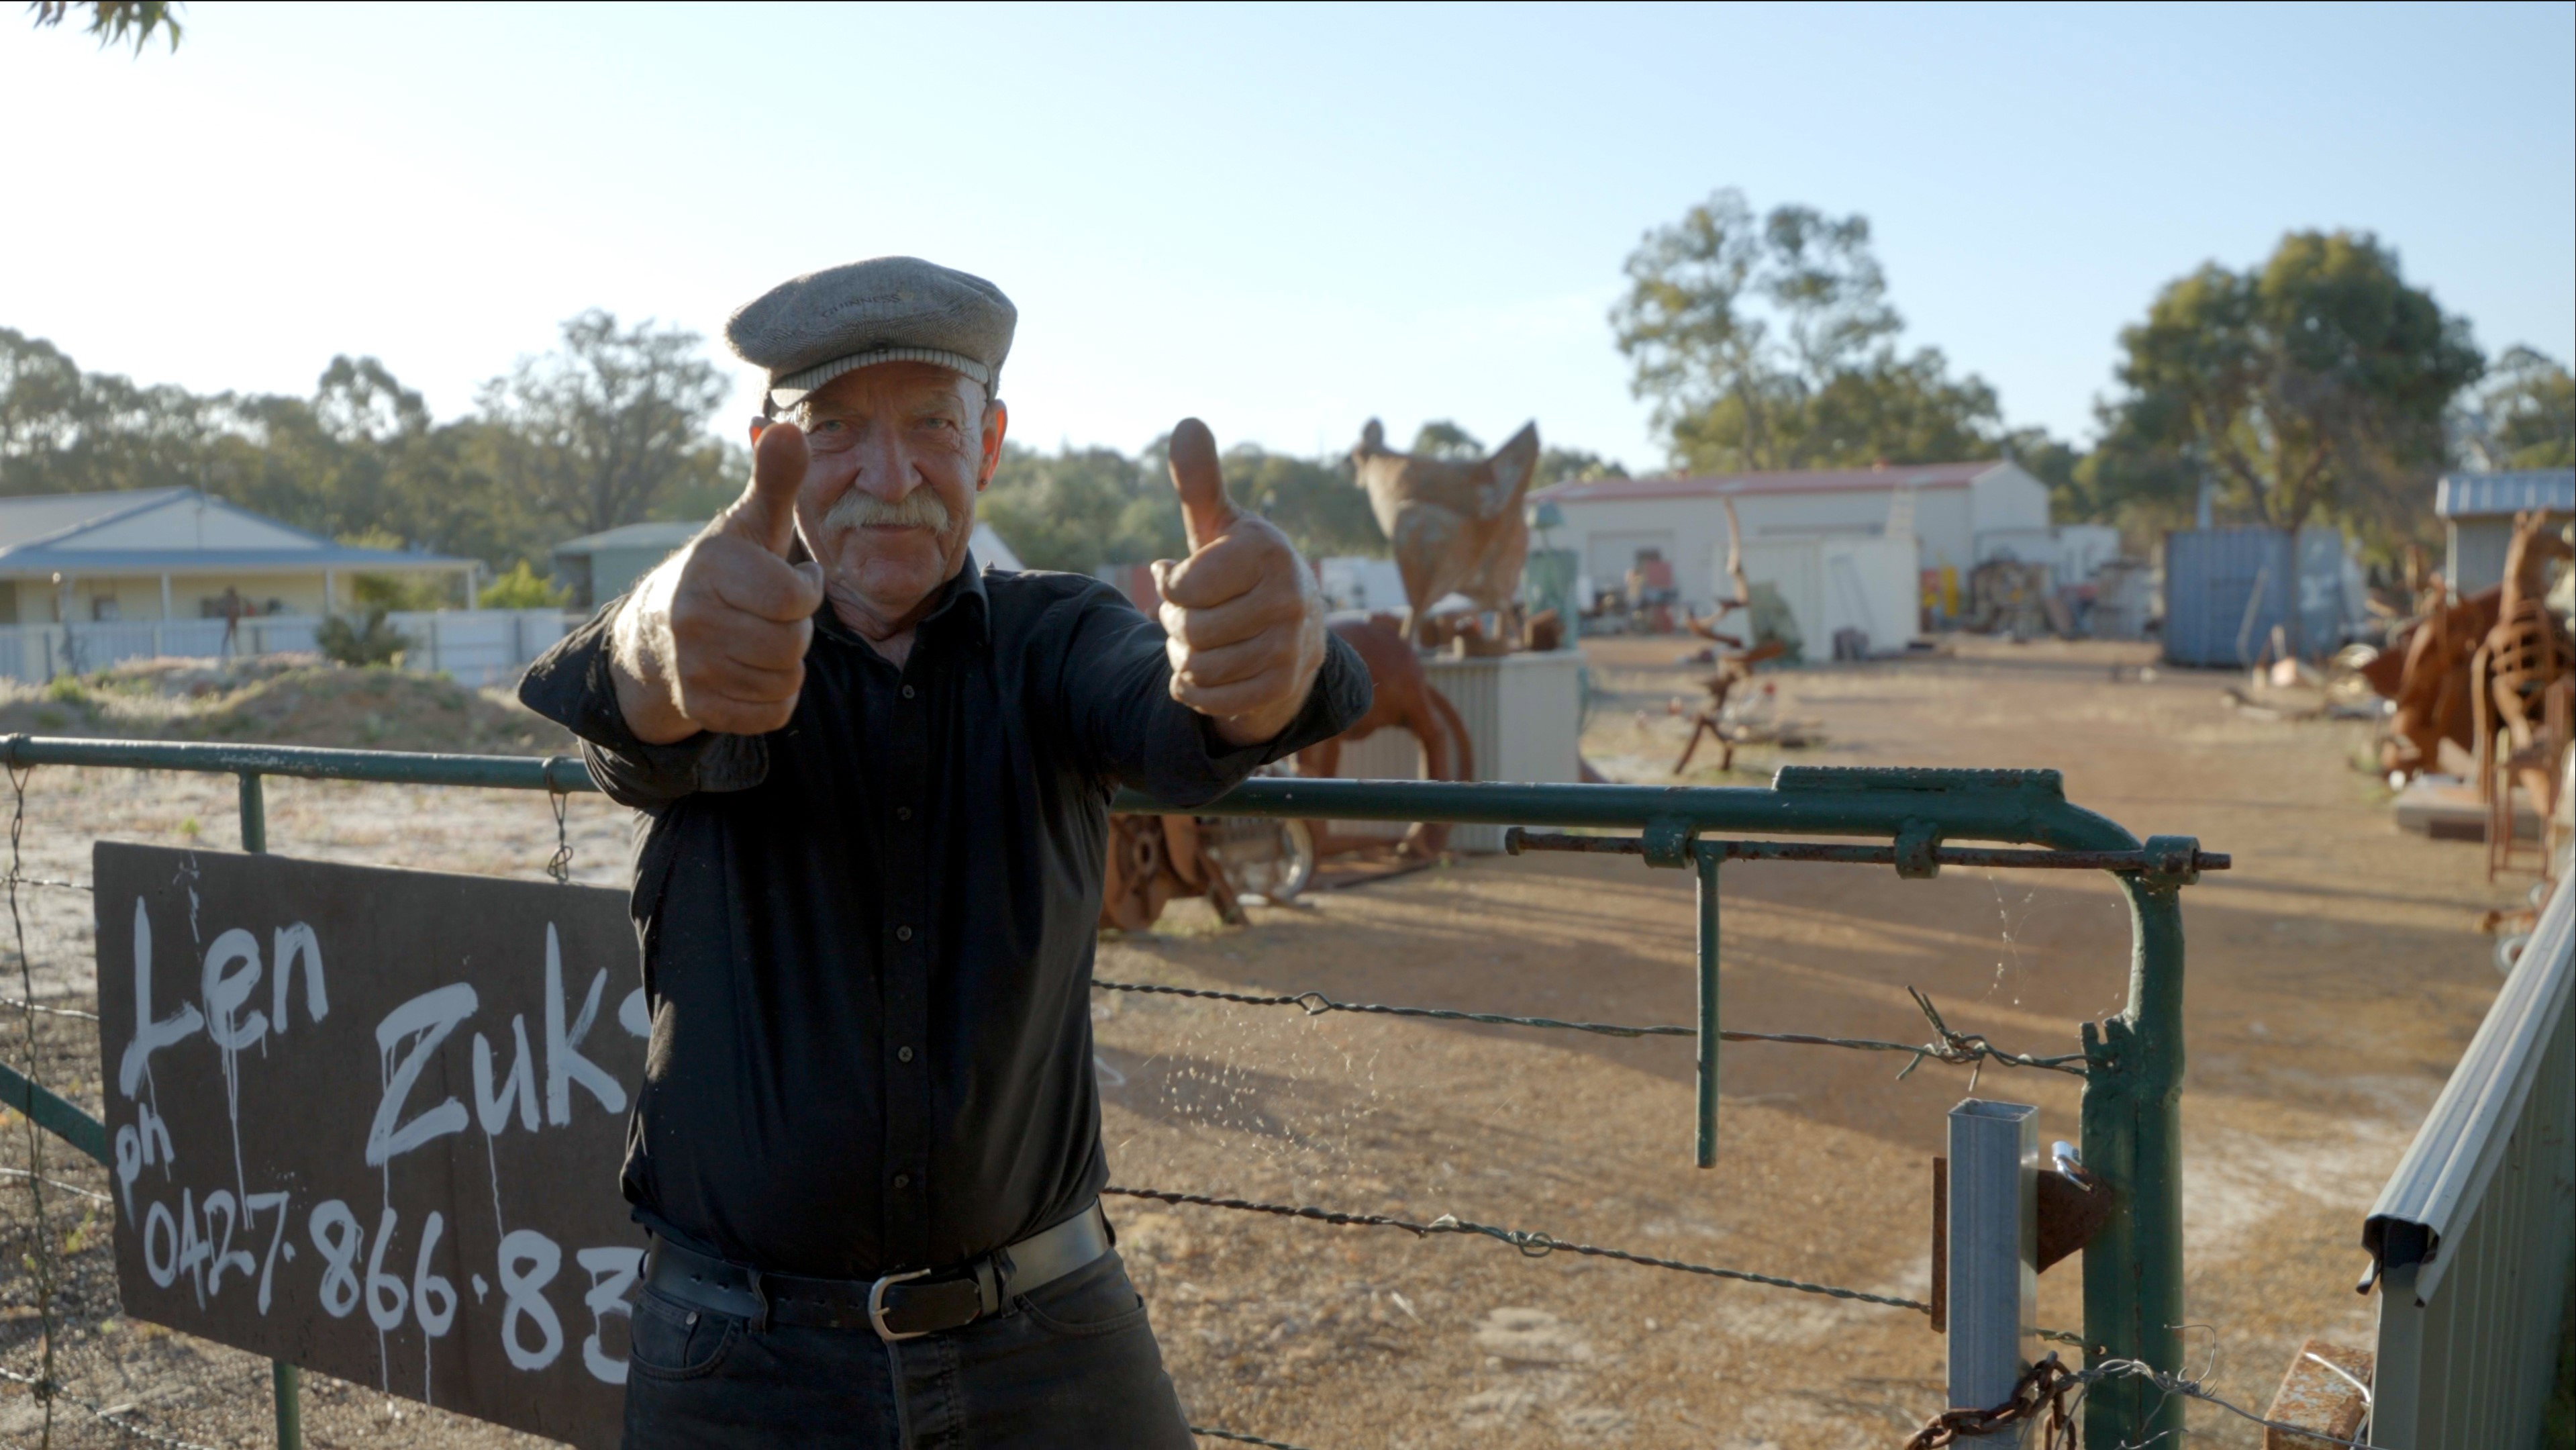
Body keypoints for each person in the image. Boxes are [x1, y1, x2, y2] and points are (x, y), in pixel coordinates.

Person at [517, 256, 1369, 1449]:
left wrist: (1261, 666)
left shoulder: (1058, 638)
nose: (890, 475)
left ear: (990, 445)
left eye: (932, 424)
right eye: (835, 430)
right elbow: (640, 694)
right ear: (768, 449)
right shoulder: (719, 635)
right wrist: (662, 643)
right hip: (738, 1360)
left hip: (1050, 1335)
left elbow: (1184, 711)